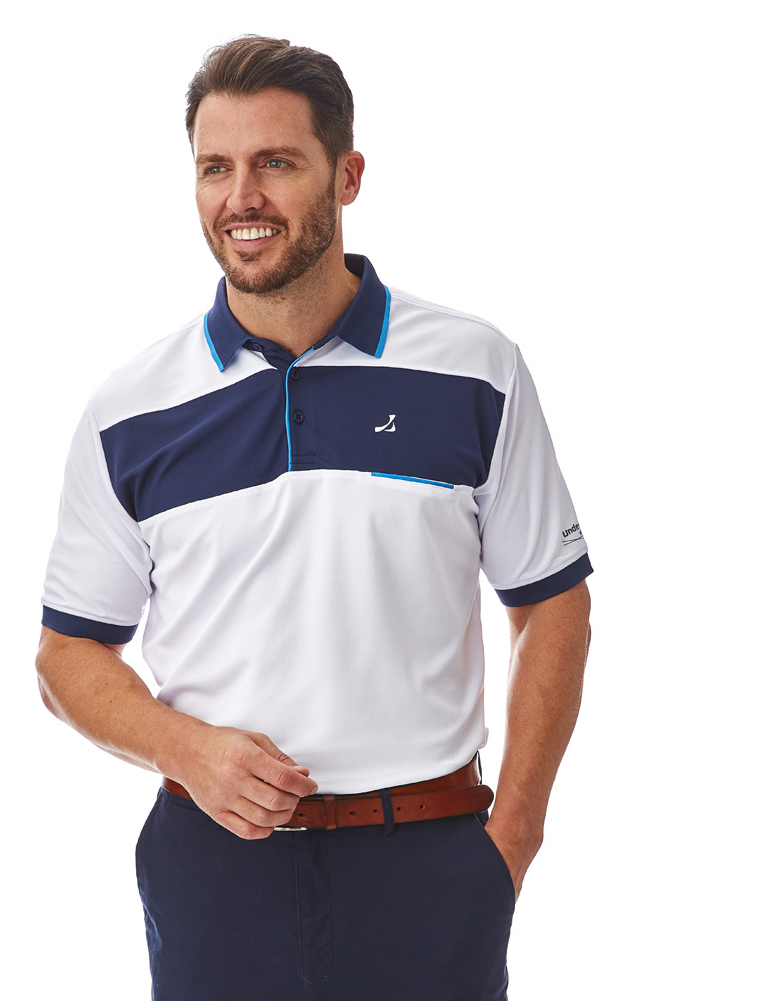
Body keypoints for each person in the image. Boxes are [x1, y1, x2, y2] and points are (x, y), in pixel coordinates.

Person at [37, 35, 592, 1001]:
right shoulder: (129, 411)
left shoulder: (474, 369)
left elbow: (551, 604)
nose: (241, 197)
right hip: (214, 869)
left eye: (276, 163)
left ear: (347, 176)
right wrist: (183, 746)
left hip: (429, 863)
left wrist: (511, 836)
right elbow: (66, 654)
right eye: (215, 167)